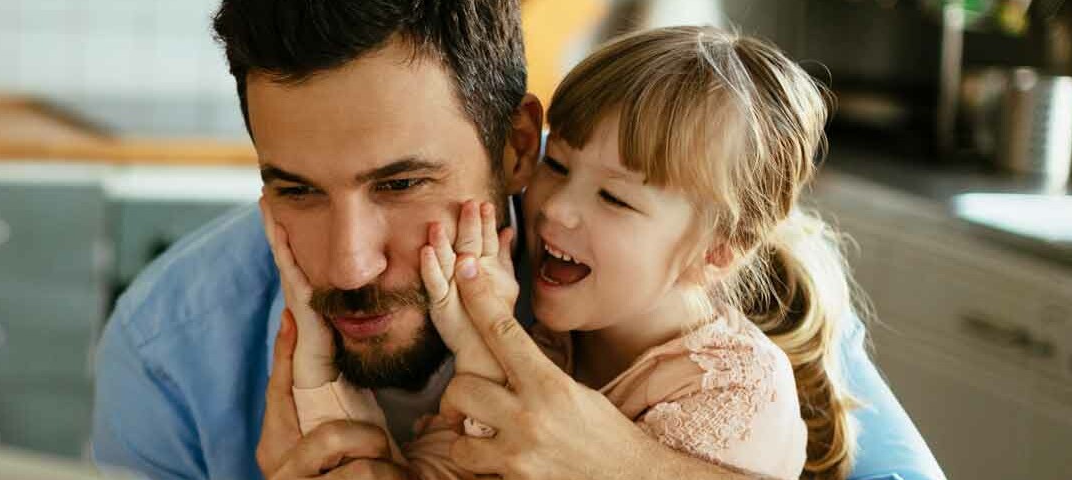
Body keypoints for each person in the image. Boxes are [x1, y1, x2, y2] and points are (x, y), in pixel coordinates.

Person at [90, 1, 945, 479]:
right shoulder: (170, 347)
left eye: (402, 184)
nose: (348, 263)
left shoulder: (683, 285)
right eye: (296, 189)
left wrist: (629, 468)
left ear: (515, 148)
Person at [277, 26, 857, 479]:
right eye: (558, 166)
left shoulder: (737, 397)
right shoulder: (551, 344)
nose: (556, 208)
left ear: (720, 250)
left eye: (614, 197)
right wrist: (318, 374)